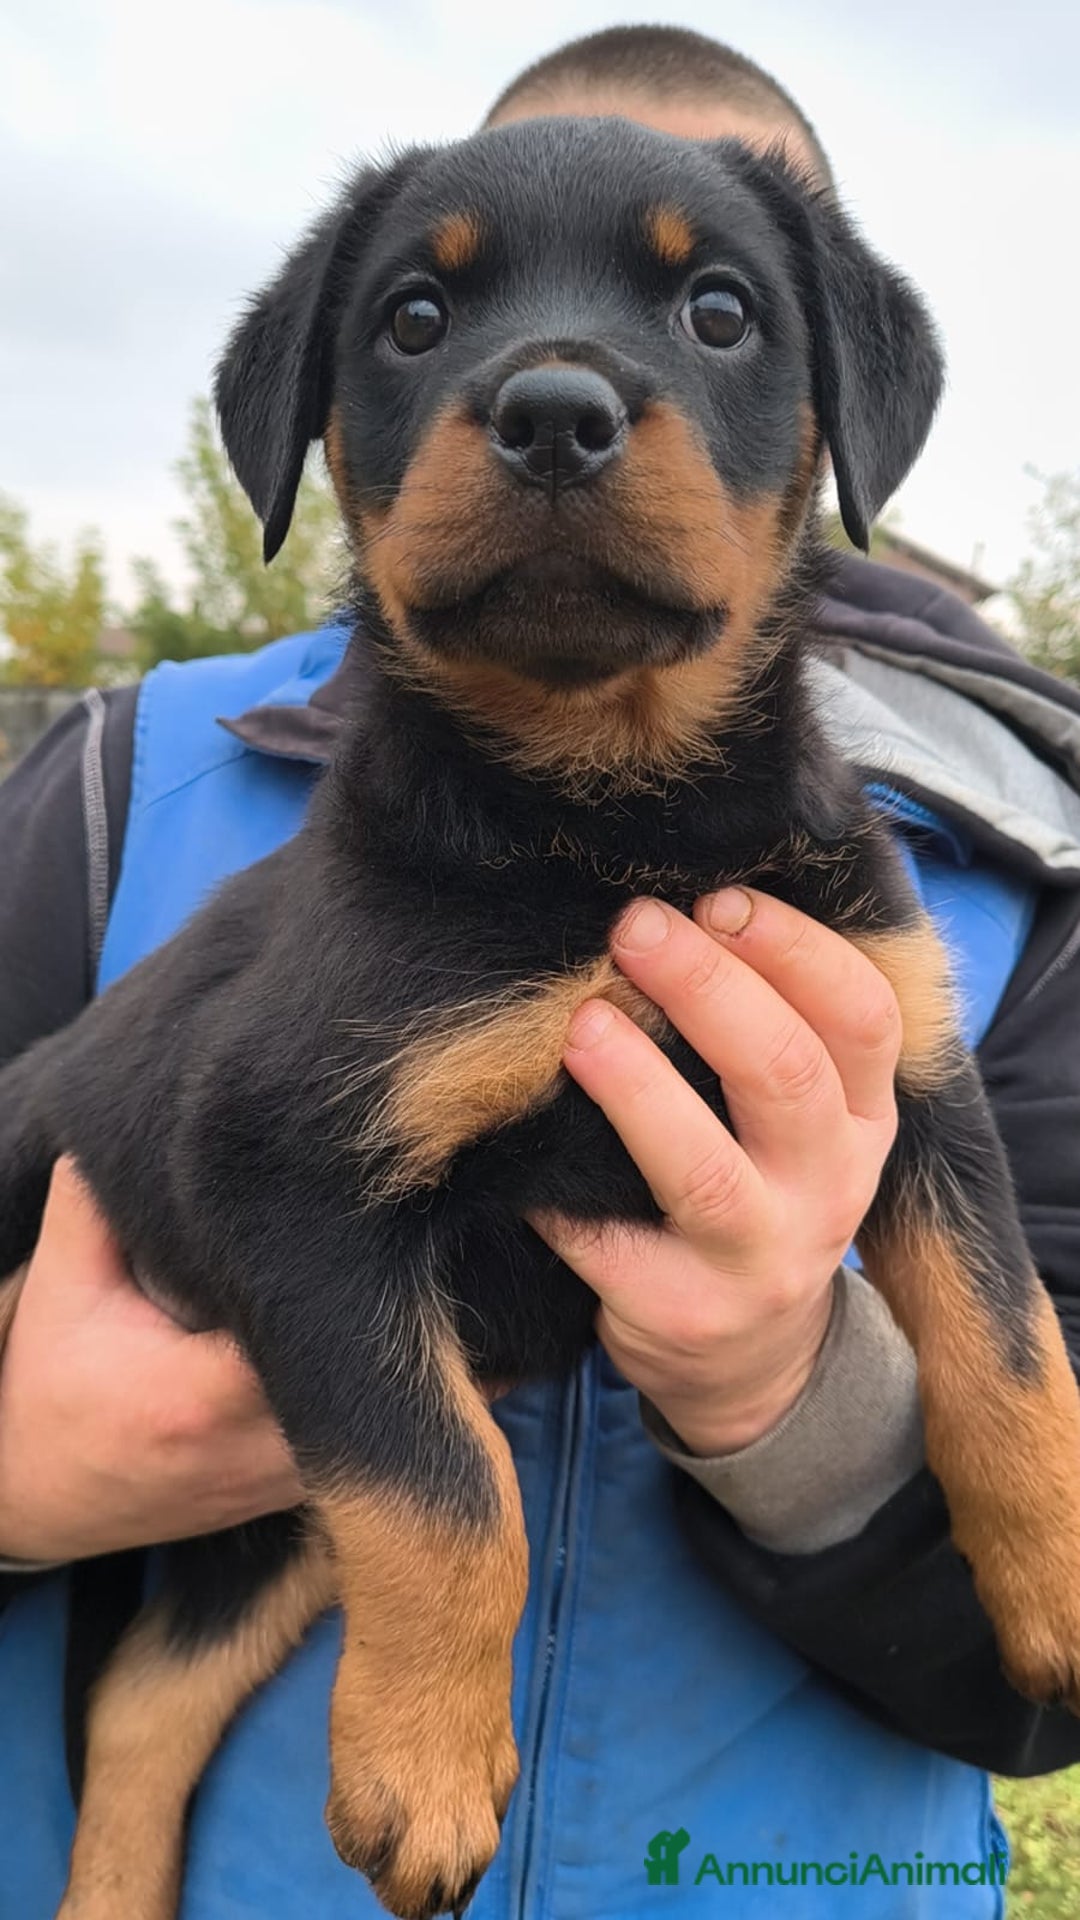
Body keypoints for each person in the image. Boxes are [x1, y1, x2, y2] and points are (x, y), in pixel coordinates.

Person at [3, 23, 1080, 1918]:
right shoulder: (95, 797)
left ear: (840, 422)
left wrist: (828, 1400)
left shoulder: (1018, 879)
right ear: (316, 435)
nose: (564, 389)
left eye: (717, 317)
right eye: (428, 320)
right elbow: (283, 1178)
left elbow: (942, 1164)